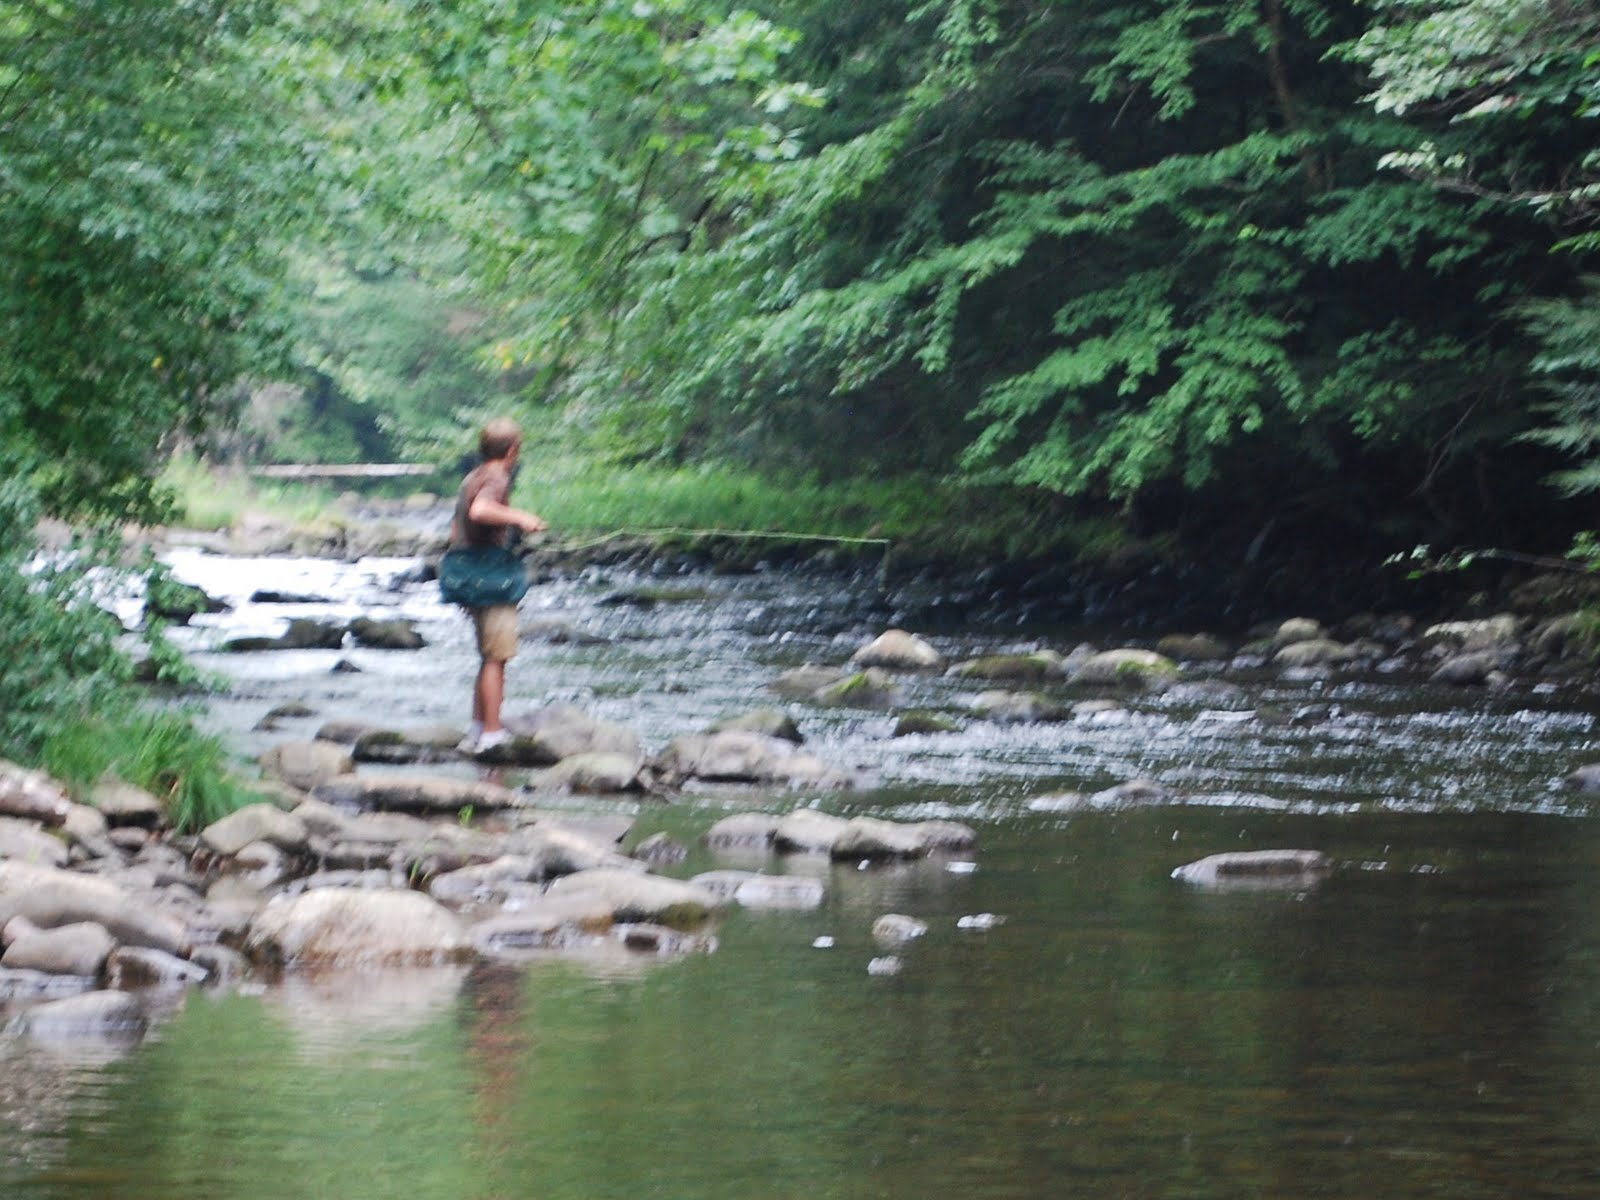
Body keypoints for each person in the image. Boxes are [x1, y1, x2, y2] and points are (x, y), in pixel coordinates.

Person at [451, 417, 547, 754]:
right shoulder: (495, 476)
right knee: (497, 657)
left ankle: (478, 729)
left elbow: (457, 529)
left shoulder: (472, 477)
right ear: (512, 450)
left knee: (487, 656)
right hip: (491, 577)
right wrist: (521, 518)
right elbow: (480, 511)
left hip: (470, 573)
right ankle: (492, 734)